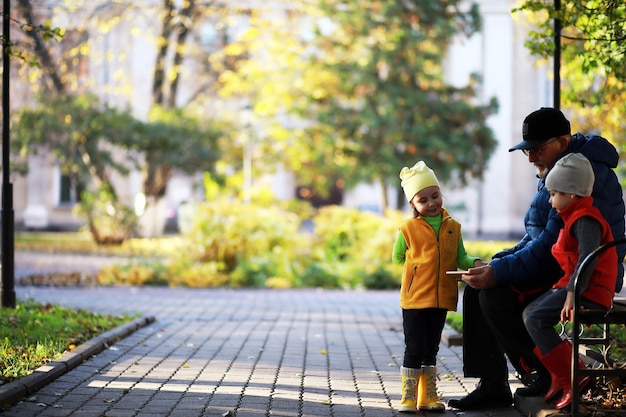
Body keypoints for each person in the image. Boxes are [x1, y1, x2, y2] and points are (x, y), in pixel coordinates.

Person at [448, 107, 625, 410]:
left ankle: (549, 372)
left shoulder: (579, 174)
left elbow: (550, 247)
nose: (531, 158)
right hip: (557, 265)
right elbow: (535, 237)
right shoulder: (558, 170)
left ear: (564, 141)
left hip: (580, 273)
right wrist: (497, 262)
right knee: (480, 287)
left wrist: (499, 272)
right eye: (527, 150)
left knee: (493, 295)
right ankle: (492, 384)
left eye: (537, 149)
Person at [523, 153, 617, 410]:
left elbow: (588, 259)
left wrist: (572, 293)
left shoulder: (586, 219)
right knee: (531, 312)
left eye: (554, 194)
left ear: (572, 194)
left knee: (534, 318)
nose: (551, 201)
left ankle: (573, 374)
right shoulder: (574, 215)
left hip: (590, 290)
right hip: (577, 286)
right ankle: (561, 374)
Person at [392, 160, 485, 412]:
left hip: (442, 297)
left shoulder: (453, 227)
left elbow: (461, 256)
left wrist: (474, 262)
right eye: (424, 200)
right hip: (414, 299)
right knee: (415, 347)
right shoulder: (407, 229)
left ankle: (428, 396)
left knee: (431, 348)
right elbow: (397, 257)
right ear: (413, 204)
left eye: (435, 195)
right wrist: (416, 270)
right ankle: (408, 397)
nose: (432, 203)